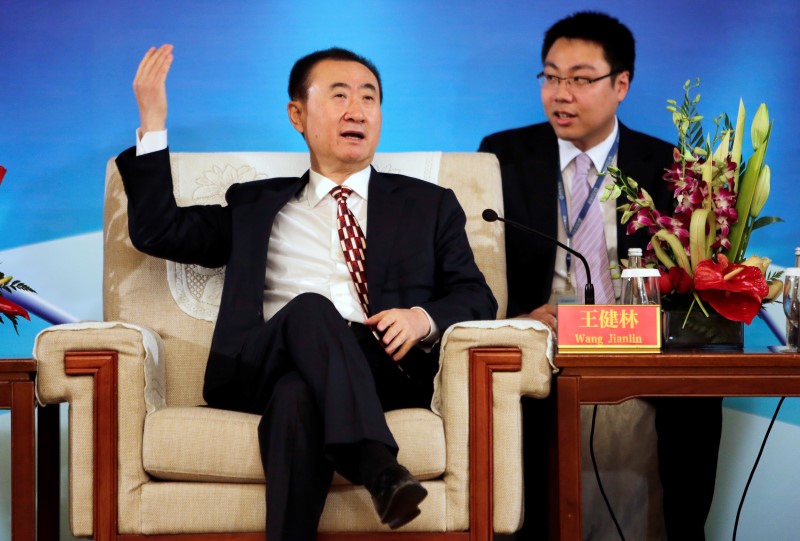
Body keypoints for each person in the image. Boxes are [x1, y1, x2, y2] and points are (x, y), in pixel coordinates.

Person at [118, 45, 497, 541]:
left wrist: (420, 318)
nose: (357, 110)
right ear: (297, 114)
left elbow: (476, 296)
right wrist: (153, 118)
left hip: (378, 367)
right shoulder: (255, 204)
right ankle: (376, 464)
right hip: (261, 364)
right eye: (339, 95)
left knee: (298, 396)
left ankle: (351, 490)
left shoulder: (428, 205)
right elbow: (158, 231)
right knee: (311, 309)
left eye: (369, 97)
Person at [479, 11, 721, 540]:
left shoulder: (670, 165)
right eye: (551, 76)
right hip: (544, 337)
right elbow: (479, 265)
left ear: (621, 85)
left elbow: (697, 276)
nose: (561, 93)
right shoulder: (503, 156)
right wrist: (517, 320)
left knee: (698, 391)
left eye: (581, 79)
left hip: (641, 342)